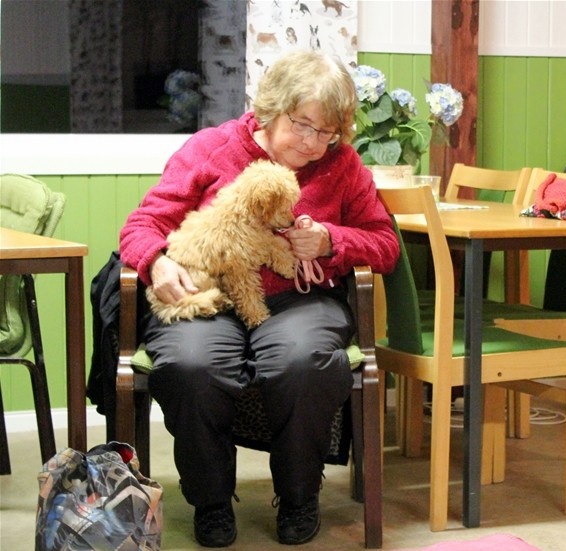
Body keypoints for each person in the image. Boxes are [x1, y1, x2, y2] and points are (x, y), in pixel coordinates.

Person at [119, 50, 399, 547]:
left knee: (304, 361)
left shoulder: (343, 165)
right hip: (211, 295)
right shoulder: (212, 148)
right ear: (271, 108)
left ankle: (298, 496)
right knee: (190, 364)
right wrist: (157, 263)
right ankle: (210, 502)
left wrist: (334, 240)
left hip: (299, 300)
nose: (314, 143)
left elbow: (384, 243)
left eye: (327, 132)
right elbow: (143, 224)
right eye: (303, 125)